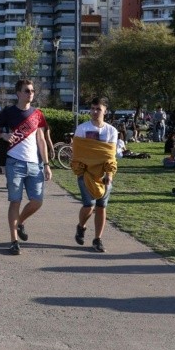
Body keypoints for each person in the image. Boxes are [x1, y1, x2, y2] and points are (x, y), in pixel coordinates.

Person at [0, 79, 52, 255]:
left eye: (32, 91)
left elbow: (41, 140)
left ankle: (19, 222)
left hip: (35, 164)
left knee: (37, 201)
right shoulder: (8, 112)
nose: (30, 94)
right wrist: (3, 135)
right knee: (15, 201)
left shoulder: (38, 114)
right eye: (27, 91)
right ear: (18, 93)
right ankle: (14, 241)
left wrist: (47, 164)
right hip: (14, 162)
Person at [70, 97, 118, 253]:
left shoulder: (111, 131)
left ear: (105, 111)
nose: (95, 112)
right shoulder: (82, 129)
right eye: (92, 108)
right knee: (88, 205)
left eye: (98, 109)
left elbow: (109, 156)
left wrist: (109, 174)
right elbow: (79, 154)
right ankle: (81, 226)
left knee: (101, 206)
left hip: (104, 174)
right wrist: (83, 171)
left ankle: (98, 239)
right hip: (86, 173)